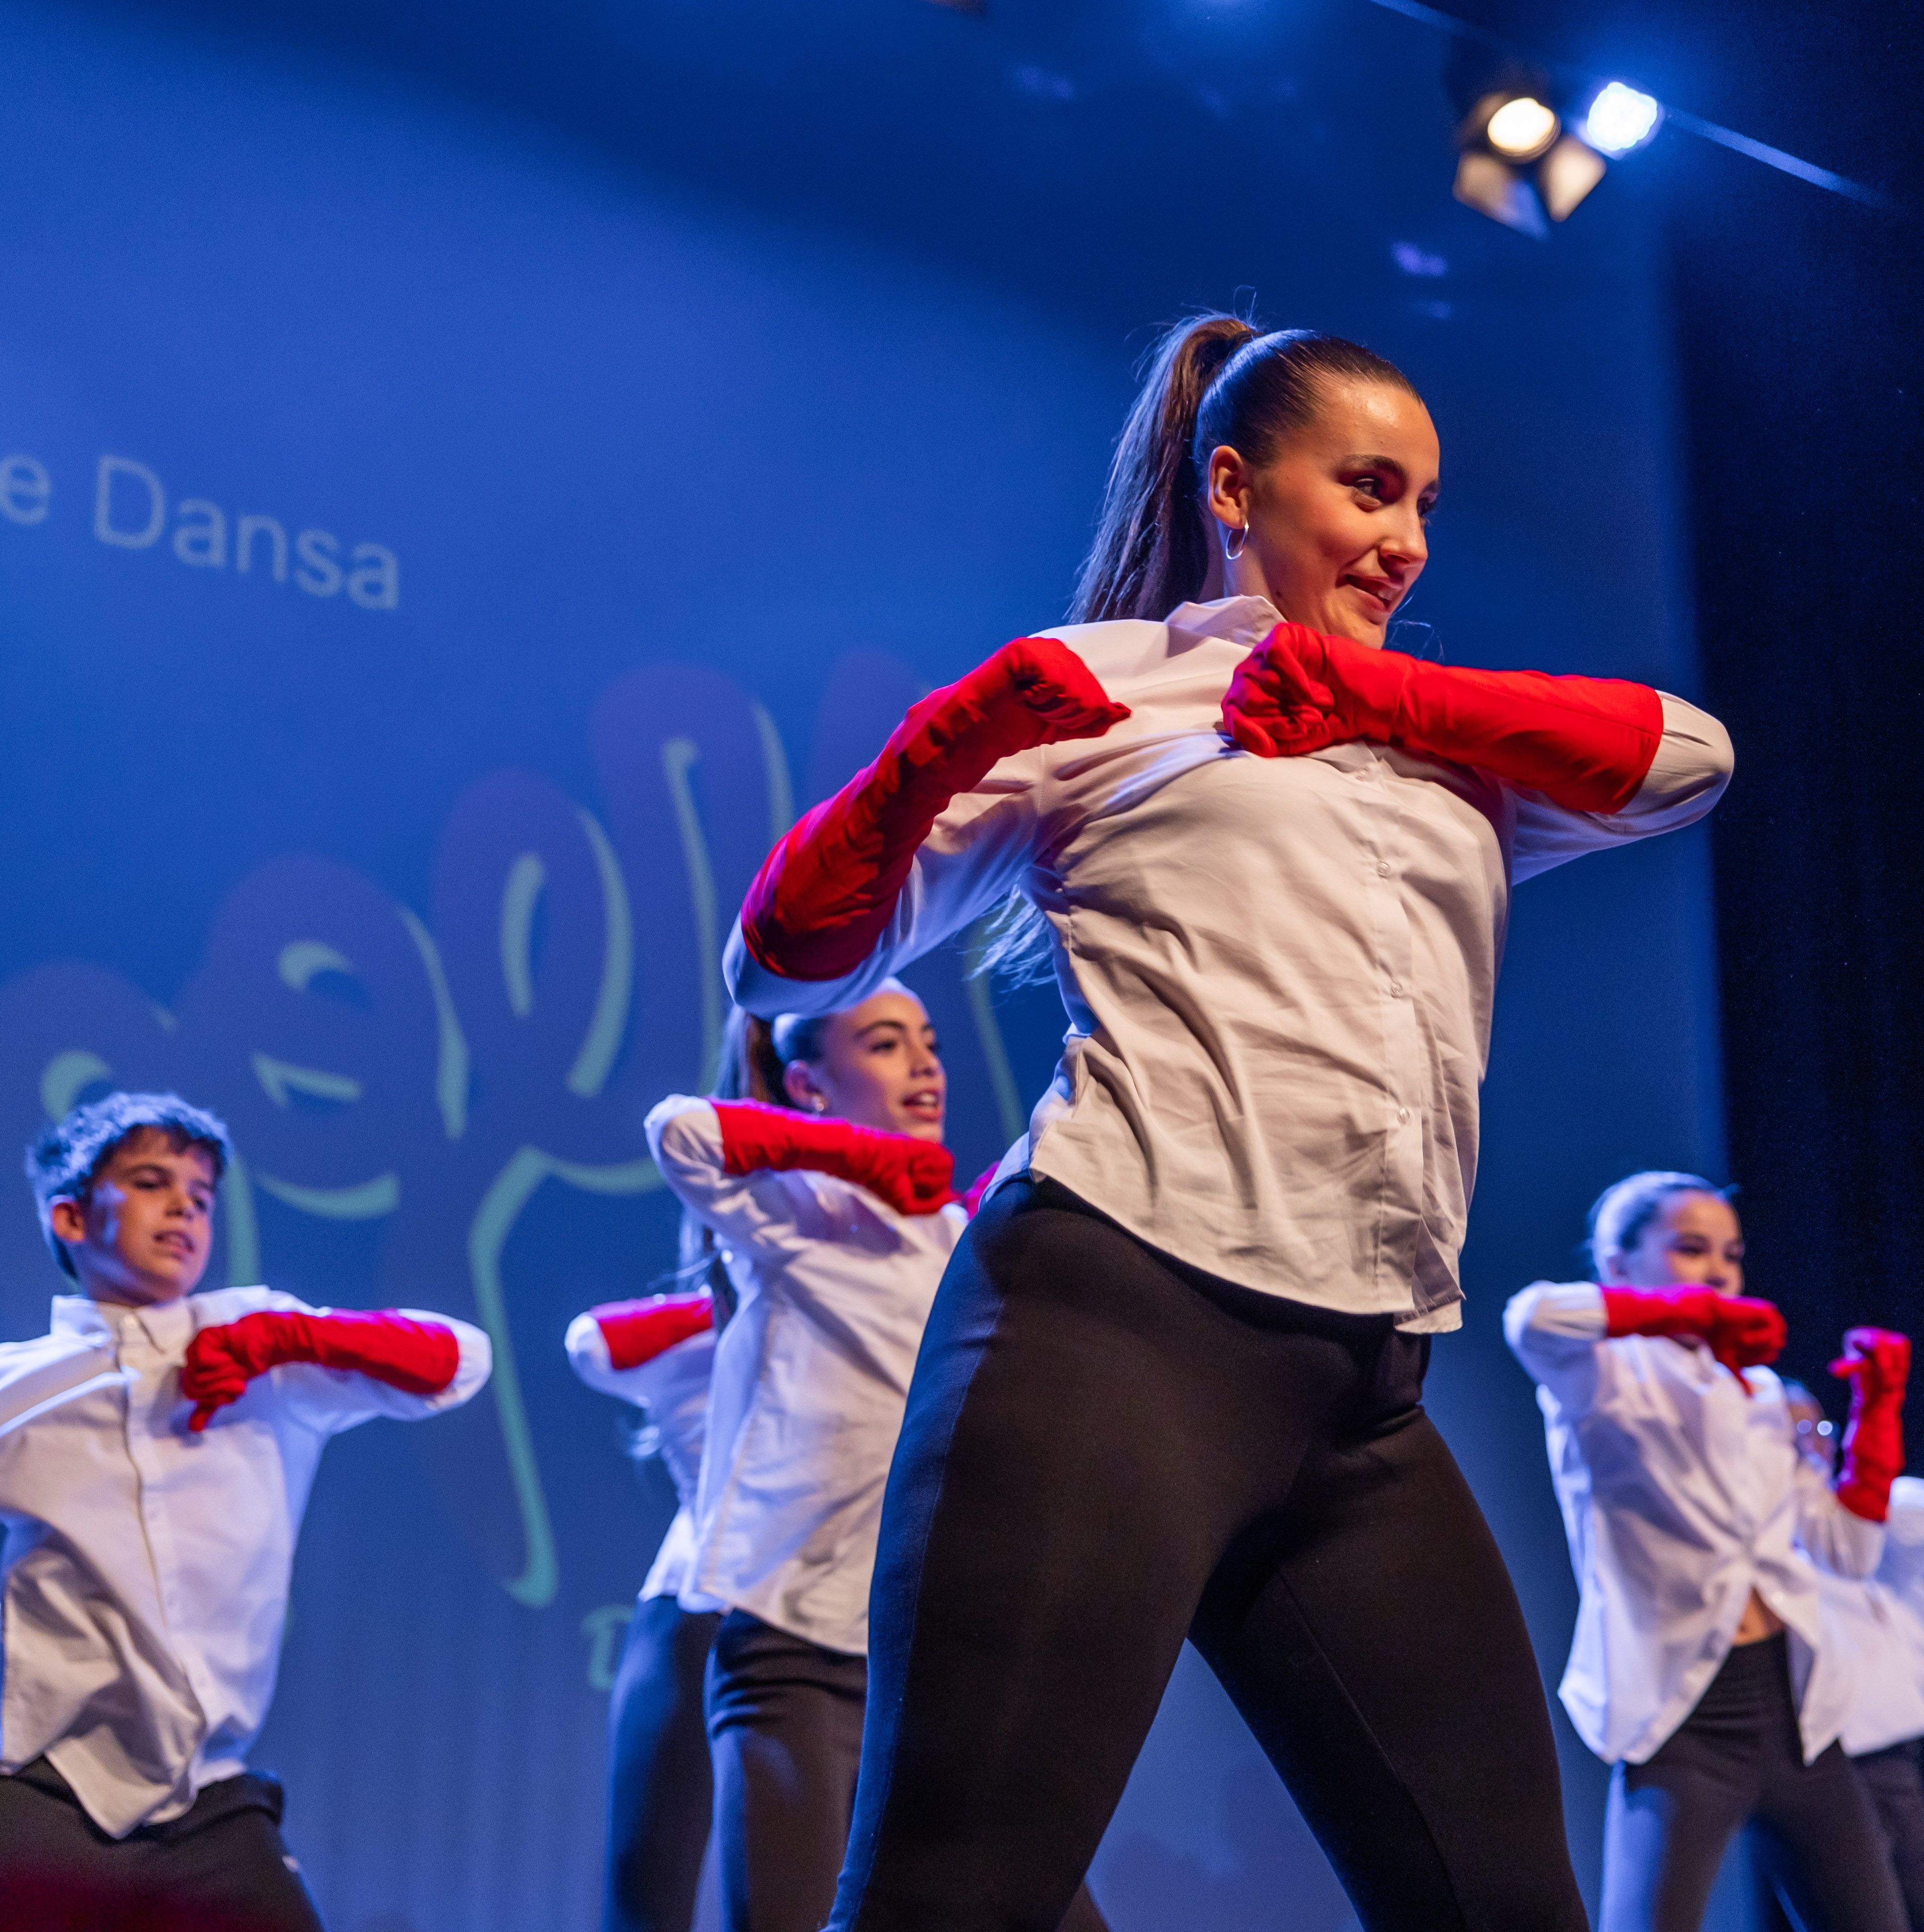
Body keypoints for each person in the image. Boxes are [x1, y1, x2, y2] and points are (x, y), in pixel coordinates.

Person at [726, 312, 1733, 1931]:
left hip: (1361, 1393)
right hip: (1110, 1330)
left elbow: (1691, 759)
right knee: (948, 1900)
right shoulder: (1110, 696)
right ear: (1230, 485)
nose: (1404, 538)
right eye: (1366, 488)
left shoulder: (1445, 739)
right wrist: (961, 728)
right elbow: (782, 964)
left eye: (1421, 503)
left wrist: (1378, 695)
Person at [0, 1091, 490, 1931]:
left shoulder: (264, 1338)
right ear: (71, 1217)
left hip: (203, 1798)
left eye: (202, 1194)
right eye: (152, 1181)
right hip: (28, 1778)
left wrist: (292, 1342)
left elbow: (460, 1362)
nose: (185, 1203)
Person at [645, 986, 1103, 1932]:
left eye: (929, 1045)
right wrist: (877, 1165)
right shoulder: (792, 1214)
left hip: (926, 1668)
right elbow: (679, 1131)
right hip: (794, 1659)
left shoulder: (954, 1235)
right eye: (888, 1045)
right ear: (808, 1083)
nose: (926, 1065)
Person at [1506, 1172, 1916, 1932]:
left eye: (1730, 1255)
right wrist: (1682, 1315)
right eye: (1691, 1249)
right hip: (1686, 1720)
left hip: (1797, 1711)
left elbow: (1847, 1552)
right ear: (1618, 1265)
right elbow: (1530, 1319)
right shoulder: (1602, 1372)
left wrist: (1877, 1418)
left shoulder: (1760, 1391)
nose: (1720, 1272)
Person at [1789, 1403, 1924, 1932]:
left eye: (1820, 1428)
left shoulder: (1850, 1530)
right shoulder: (1775, 1546)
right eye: (1794, 1431)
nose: (1813, 1444)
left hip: (1901, 1763)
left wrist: (1853, 1489)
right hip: (1833, 1764)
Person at [566, 1278, 722, 1932]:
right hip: (694, 1616)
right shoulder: (712, 1327)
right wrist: (765, 1281)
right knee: (647, 1907)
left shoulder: (902, 1294)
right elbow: (596, 1342)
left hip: (849, 1626)